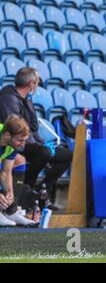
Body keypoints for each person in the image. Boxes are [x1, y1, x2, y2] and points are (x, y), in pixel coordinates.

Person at [0, 67, 73, 209]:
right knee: (43, 152)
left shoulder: (26, 99)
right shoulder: (8, 99)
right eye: (37, 83)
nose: (37, 86)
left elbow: (32, 128)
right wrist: (40, 146)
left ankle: (39, 193)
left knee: (67, 155)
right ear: (31, 84)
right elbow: (16, 130)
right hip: (15, 142)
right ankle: (26, 187)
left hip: (29, 142)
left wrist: (42, 143)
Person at [0, 114, 36, 226]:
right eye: (20, 140)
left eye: (25, 140)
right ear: (7, 135)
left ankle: (11, 212)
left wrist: (9, 191)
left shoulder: (12, 143)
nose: (23, 144)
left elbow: (6, 172)